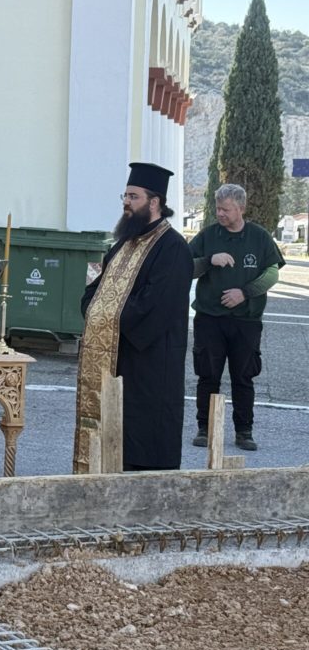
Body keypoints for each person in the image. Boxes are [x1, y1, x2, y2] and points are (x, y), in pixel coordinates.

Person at [74, 162, 193, 472]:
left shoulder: (173, 249)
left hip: (150, 364)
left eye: (134, 196)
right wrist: (93, 309)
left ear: (155, 202)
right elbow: (94, 291)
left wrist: (104, 315)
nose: (126, 203)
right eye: (124, 196)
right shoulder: (122, 245)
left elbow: (155, 306)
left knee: (144, 442)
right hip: (114, 359)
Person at [190, 183, 283, 452]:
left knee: (243, 377)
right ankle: (205, 428)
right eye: (217, 208)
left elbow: (272, 273)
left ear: (241, 208)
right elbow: (184, 266)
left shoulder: (259, 237)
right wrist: (209, 260)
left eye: (226, 209)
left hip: (246, 321)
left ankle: (244, 431)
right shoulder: (208, 236)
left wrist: (245, 293)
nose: (220, 213)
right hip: (209, 318)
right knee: (208, 375)